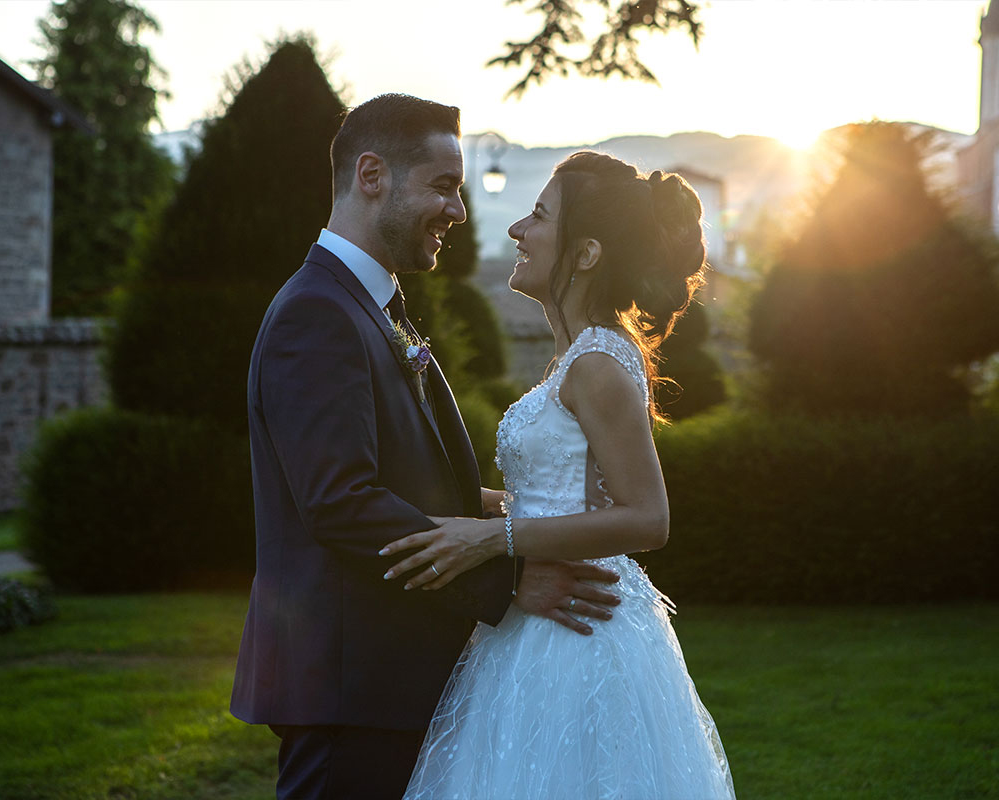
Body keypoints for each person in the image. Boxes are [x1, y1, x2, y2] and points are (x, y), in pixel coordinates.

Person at [229, 95, 623, 800]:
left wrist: (520, 512)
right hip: (351, 688)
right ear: (372, 175)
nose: (460, 213)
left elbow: (392, 474)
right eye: (443, 186)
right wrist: (505, 579)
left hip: (385, 681)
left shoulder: (368, 307)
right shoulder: (319, 314)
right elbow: (342, 503)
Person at [381, 151, 737, 799]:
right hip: (540, 617)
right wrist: (475, 506)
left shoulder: (598, 361)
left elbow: (647, 517)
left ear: (587, 253)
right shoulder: (575, 356)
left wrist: (496, 540)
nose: (518, 229)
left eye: (539, 216)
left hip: (582, 632)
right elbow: (557, 494)